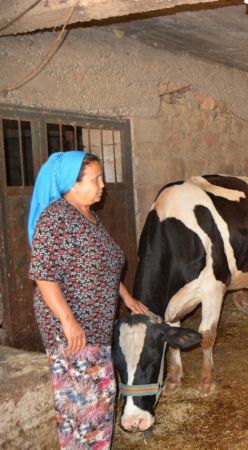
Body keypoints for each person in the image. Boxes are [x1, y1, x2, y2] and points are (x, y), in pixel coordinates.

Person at [27, 150, 148, 449]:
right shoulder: (56, 218)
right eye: (95, 179)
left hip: (94, 325)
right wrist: (69, 322)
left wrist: (127, 297)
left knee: (99, 399)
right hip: (73, 327)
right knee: (83, 407)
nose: (102, 184)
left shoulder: (88, 217)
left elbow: (104, 264)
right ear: (72, 183)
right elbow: (44, 275)